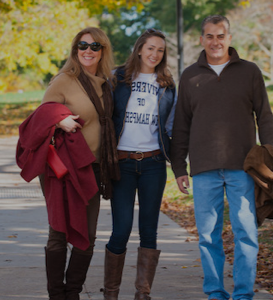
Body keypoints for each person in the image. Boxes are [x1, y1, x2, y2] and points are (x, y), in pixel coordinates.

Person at [170, 15, 273, 300]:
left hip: (244, 167)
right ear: (201, 39)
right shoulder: (190, 75)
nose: (215, 42)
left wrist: (270, 158)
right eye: (209, 36)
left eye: (220, 36)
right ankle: (215, 293)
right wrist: (179, 166)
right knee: (207, 237)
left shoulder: (249, 71)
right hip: (204, 169)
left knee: (246, 234)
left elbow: (264, 117)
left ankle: (243, 294)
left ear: (229, 38)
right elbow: (181, 124)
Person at [16, 27, 119, 300]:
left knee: (89, 235)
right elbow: (41, 117)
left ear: (103, 51)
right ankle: (56, 294)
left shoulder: (108, 83)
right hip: (62, 169)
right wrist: (58, 119)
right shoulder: (64, 80)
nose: (88, 50)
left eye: (94, 46)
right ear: (75, 50)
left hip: (94, 167)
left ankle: (72, 292)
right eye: (82, 45)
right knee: (59, 232)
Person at [102, 28, 176, 300]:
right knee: (120, 230)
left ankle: (142, 294)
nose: (155, 54)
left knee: (149, 230)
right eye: (150, 48)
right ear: (139, 48)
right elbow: (104, 116)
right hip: (122, 164)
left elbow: (170, 126)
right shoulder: (118, 78)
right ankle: (110, 294)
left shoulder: (167, 82)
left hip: (153, 164)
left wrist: (178, 164)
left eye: (160, 50)